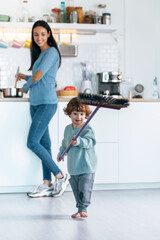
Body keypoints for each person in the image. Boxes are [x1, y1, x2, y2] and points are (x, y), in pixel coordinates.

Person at [17, 20, 69, 198]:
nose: (39, 37)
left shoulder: (52, 52)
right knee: (45, 145)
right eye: (35, 34)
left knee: (32, 142)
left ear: (48, 34)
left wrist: (25, 87)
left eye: (42, 34)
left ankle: (60, 176)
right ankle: (47, 184)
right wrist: (25, 77)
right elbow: (38, 76)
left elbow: (39, 76)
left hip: (47, 103)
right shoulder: (42, 54)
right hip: (36, 104)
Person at [56, 97, 97, 218]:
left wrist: (79, 141)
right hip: (73, 167)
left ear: (86, 114)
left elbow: (91, 142)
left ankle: (83, 209)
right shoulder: (68, 129)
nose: (78, 117)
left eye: (82, 114)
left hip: (86, 165)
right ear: (69, 114)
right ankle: (79, 209)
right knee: (76, 189)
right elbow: (65, 143)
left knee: (84, 189)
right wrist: (61, 153)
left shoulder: (87, 128)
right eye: (75, 113)